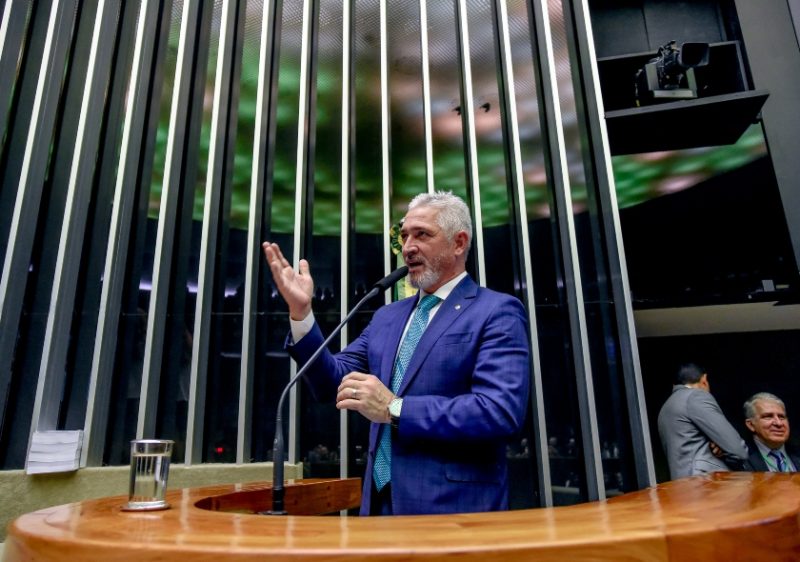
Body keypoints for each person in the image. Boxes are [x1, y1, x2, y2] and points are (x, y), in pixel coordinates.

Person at [262, 191, 531, 516]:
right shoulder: (387, 317)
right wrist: (302, 313)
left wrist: (395, 408)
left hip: (453, 510)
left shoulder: (496, 311)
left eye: (422, 235)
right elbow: (332, 380)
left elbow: (499, 412)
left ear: (459, 243)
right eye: (404, 236)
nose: (407, 247)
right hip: (379, 504)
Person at [657, 363, 748, 479]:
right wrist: (724, 449)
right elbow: (737, 449)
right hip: (708, 481)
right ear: (704, 380)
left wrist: (720, 446)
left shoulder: (666, 408)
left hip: (682, 483)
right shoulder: (696, 396)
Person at [742, 392, 799, 472]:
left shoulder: (797, 453)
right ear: (751, 425)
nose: (778, 423)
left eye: (782, 417)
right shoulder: (740, 458)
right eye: (768, 417)